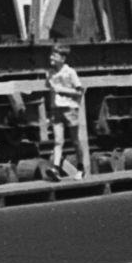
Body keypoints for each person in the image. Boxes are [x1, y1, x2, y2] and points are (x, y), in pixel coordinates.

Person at [40, 38, 85, 176]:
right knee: (58, 141)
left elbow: (79, 91)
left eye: (54, 55)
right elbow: (49, 86)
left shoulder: (70, 72)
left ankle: (81, 167)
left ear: (63, 58)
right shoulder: (50, 73)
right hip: (56, 109)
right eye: (51, 55)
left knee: (75, 141)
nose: (51, 58)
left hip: (70, 109)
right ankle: (55, 169)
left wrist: (61, 90)